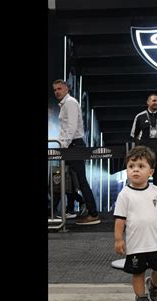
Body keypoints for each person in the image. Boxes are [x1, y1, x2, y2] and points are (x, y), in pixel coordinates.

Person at [114, 146, 157, 301]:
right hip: (136, 245)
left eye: (141, 166)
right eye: (131, 166)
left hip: (155, 243)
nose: (135, 170)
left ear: (151, 172)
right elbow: (120, 220)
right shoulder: (124, 194)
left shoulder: (155, 191)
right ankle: (141, 298)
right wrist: (119, 239)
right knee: (138, 272)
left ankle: (154, 286)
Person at [52, 79, 100, 225]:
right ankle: (71, 209)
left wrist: (63, 146)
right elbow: (65, 128)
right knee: (71, 181)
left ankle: (93, 213)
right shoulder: (65, 104)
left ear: (67, 88)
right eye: (55, 90)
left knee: (80, 180)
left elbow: (72, 128)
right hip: (69, 145)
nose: (57, 92)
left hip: (74, 145)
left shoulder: (70, 102)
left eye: (59, 88)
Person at [130, 94, 157, 192]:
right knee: (143, 178)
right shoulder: (140, 117)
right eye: (154, 101)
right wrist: (135, 153)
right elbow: (133, 136)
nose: (156, 103)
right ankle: (142, 202)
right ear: (148, 102)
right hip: (144, 154)